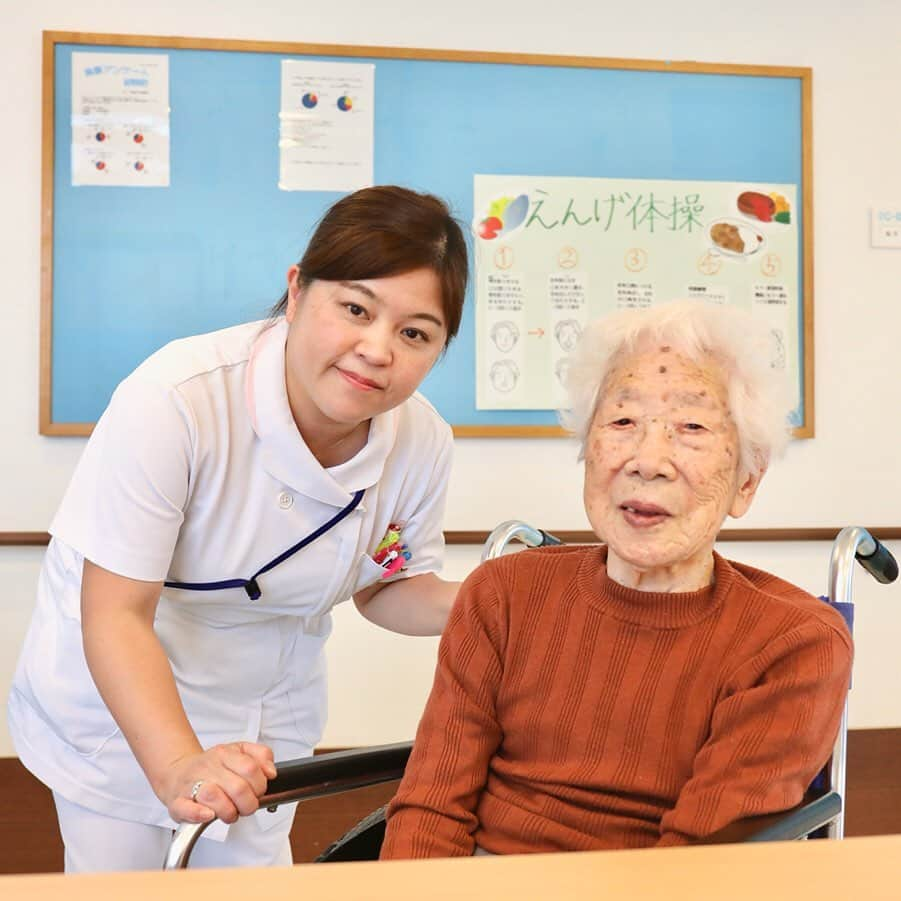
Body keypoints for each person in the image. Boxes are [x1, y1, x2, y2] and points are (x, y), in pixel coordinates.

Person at [8, 185, 469, 872]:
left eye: (414, 333)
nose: (377, 349)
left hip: (261, 719)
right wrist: (176, 764)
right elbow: (114, 615)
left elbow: (387, 586)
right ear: (296, 291)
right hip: (117, 705)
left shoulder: (421, 439)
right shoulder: (176, 401)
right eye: (354, 308)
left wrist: (500, 599)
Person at [380, 300, 852, 858]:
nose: (648, 460)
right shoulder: (503, 593)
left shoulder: (794, 641)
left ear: (746, 481)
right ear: (588, 451)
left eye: (692, 426)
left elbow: (697, 867)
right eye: (623, 421)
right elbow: (432, 808)